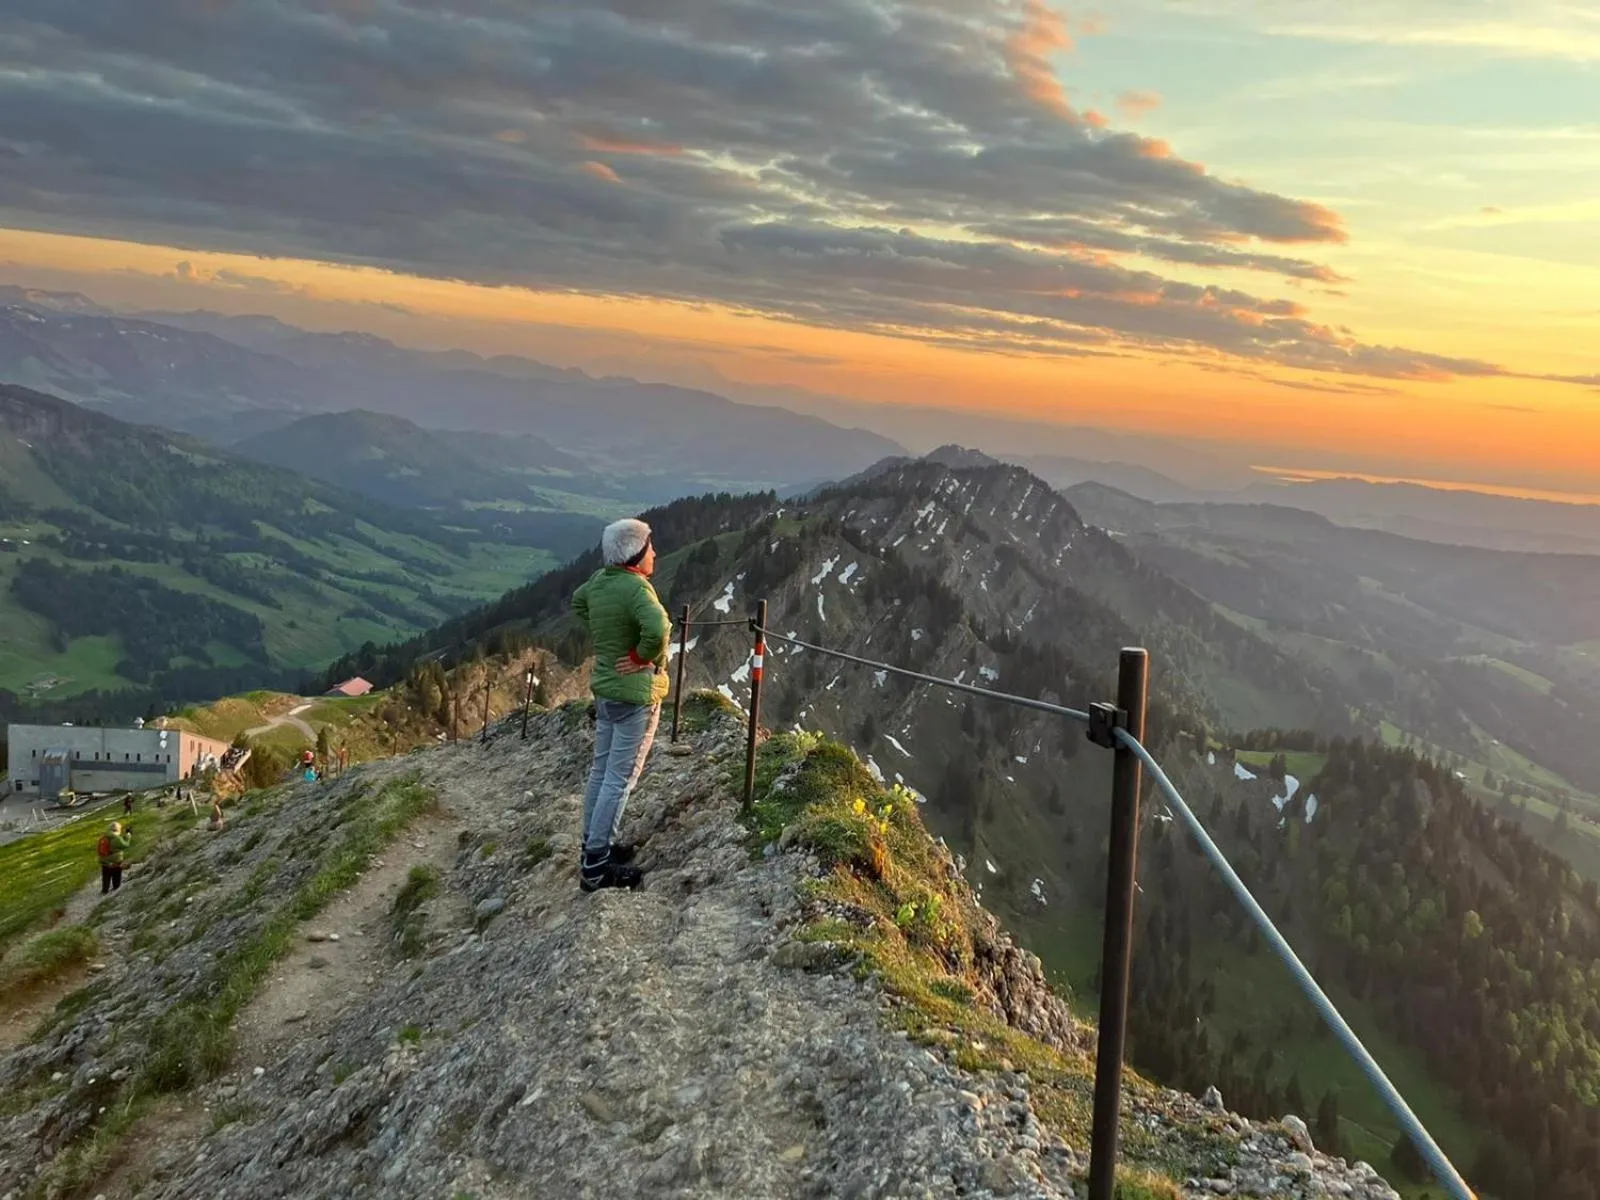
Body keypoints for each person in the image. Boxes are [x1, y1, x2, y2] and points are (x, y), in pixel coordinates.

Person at [570, 517, 670, 892]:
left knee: (601, 771)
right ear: (636, 553)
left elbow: (578, 603)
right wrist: (642, 655)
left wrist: (608, 634)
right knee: (619, 778)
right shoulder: (637, 591)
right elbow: (659, 629)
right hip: (635, 695)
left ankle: (594, 846)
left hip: (608, 692)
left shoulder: (600, 583)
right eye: (650, 546)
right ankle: (596, 867)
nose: (655, 553)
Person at [98, 820, 132, 894]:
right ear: (118, 829)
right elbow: (125, 845)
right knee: (116, 876)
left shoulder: (104, 837)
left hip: (105, 862)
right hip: (115, 862)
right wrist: (128, 835)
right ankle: (116, 889)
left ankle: (104, 890)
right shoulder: (116, 838)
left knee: (106, 877)